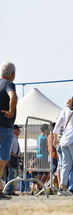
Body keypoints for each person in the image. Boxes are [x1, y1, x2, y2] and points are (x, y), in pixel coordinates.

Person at [0, 62, 17, 199]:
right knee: (3, 159)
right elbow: (13, 97)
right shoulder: (8, 84)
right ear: (12, 74)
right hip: (4, 126)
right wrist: (11, 111)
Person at [4, 125, 22, 195]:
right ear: (14, 130)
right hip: (12, 159)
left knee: (14, 175)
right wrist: (17, 155)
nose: (19, 131)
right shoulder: (12, 138)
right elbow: (10, 150)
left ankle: (11, 191)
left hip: (15, 158)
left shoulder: (14, 138)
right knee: (12, 175)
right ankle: (8, 191)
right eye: (18, 129)